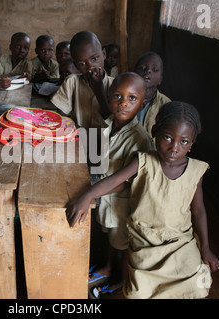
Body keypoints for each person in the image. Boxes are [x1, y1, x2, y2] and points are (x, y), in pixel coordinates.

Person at [66, 101, 219, 299]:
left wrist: (205, 247)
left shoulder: (196, 170)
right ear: (154, 133)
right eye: (167, 137)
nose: (174, 148)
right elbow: (113, 181)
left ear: (191, 144)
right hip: (144, 238)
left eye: (183, 142)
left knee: (197, 287)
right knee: (139, 293)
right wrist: (87, 196)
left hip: (179, 240)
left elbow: (198, 210)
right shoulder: (143, 161)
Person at [88, 72, 154, 296]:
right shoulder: (108, 123)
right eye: (117, 96)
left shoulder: (140, 139)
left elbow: (126, 183)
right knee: (110, 237)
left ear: (142, 103)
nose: (123, 103)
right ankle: (107, 268)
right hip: (107, 197)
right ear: (108, 97)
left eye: (132, 99)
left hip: (122, 203)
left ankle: (122, 280)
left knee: (123, 243)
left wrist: (94, 191)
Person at [51, 30, 114, 132]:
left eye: (94, 59)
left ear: (104, 54)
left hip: (105, 143)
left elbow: (112, 121)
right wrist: (78, 130)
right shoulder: (71, 82)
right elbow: (61, 115)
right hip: (78, 137)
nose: (90, 67)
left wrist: (99, 91)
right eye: (82, 63)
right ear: (76, 66)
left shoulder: (115, 85)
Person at [134, 51, 171, 136]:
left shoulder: (165, 104)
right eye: (143, 68)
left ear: (160, 79)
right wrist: (102, 149)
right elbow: (103, 125)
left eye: (154, 70)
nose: (148, 71)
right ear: (134, 73)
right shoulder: (122, 96)